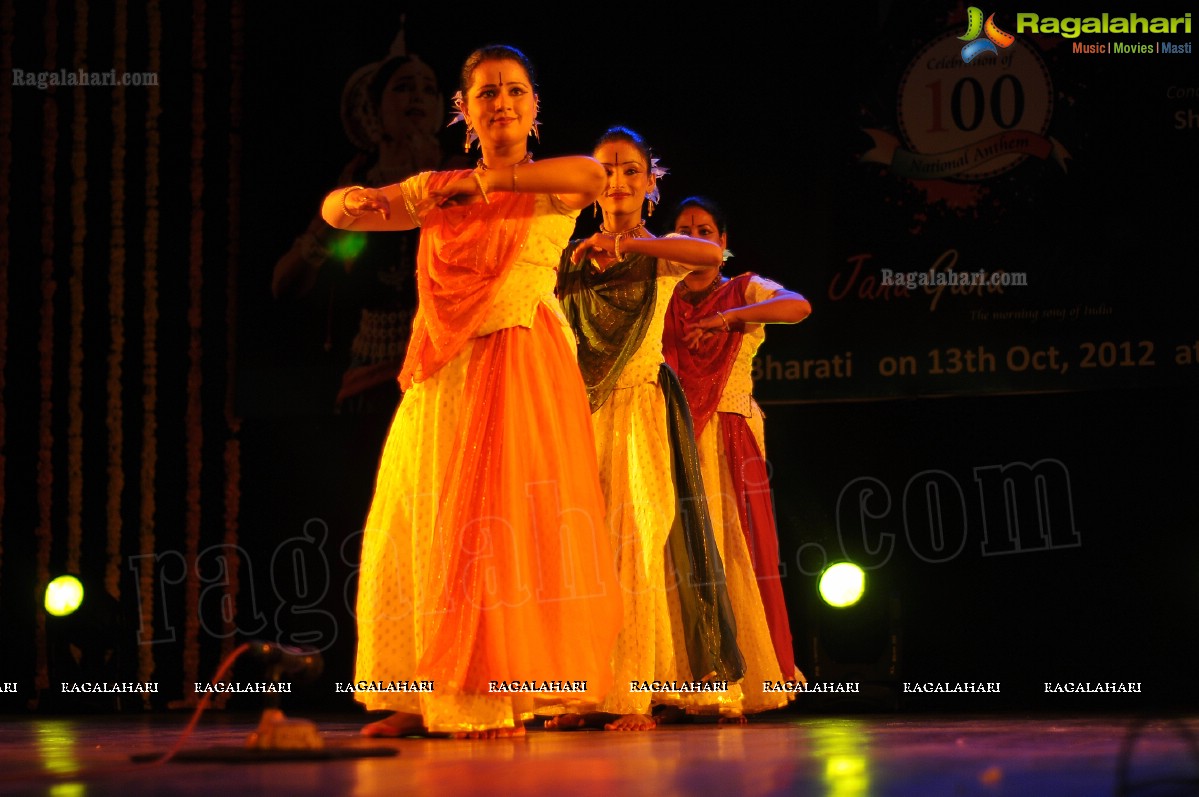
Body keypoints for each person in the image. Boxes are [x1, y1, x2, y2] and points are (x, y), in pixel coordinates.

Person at [320, 44, 622, 739]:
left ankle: (491, 692)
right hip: (441, 368)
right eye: (486, 92)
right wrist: (364, 198)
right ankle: (418, 690)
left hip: (519, 360)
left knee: (497, 530)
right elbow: (340, 213)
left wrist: (486, 187)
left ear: (534, 105)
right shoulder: (437, 185)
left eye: (515, 90)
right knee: (418, 518)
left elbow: (593, 175)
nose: (502, 103)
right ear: (464, 109)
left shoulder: (549, 181)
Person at [549, 126, 744, 731]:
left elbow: (712, 258)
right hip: (585, 412)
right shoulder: (574, 256)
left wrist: (636, 248)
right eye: (607, 169)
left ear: (649, 183)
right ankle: (580, 692)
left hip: (643, 409)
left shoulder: (664, 252)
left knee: (636, 543)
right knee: (582, 550)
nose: (619, 180)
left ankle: (634, 692)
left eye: (632, 169)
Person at [664, 195, 812, 691]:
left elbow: (799, 306)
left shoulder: (745, 290)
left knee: (739, 552)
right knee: (674, 555)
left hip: (729, 435)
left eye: (705, 230)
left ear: (722, 243)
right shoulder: (659, 297)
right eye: (684, 230)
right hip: (670, 438)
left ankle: (749, 681)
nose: (695, 238)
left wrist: (726, 319)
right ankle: (679, 679)